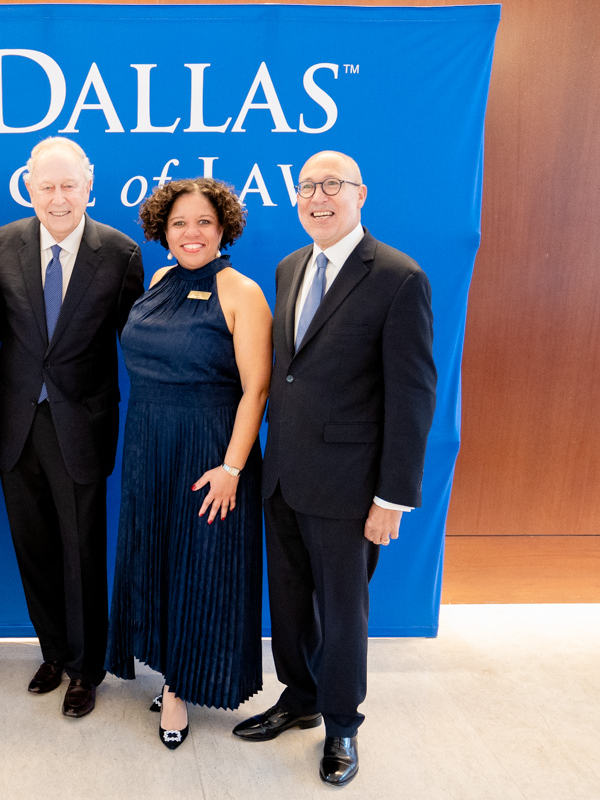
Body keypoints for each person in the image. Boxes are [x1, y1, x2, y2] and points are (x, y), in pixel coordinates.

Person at [234, 151, 436, 787]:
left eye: (331, 186)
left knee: (344, 612)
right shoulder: (291, 266)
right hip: (285, 475)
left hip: (351, 486)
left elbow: (412, 397)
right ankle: (298, 698)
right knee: (290, 603)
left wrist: (392, 499)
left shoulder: (399, 278)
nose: (317, 197)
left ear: (360, 194)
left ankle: (342, 724)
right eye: (305, 187)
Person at [107, 178, 272, 749]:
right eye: (179, 223)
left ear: (223, 227)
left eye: (203, 221)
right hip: (149, 445)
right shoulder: (158, 280)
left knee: (200, 570)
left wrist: (231, 469)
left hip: (209, 452)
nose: (191, 233)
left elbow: (255, 391)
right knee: (156, 561)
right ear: (162, 230)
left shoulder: (241, 291)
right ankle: (171, 664)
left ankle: (180, 689)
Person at [0, 137, 144, 718]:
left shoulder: (121, 253)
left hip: (81, 427)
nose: (57, 197)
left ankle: (86, 668)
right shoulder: (3, 244)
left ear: (88, 185)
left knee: (81, 554)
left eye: (68, 185)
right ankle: (53, 652)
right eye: (46, 186)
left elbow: (136, 341)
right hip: (17, 423)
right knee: (34, 550)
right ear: (29, 187)